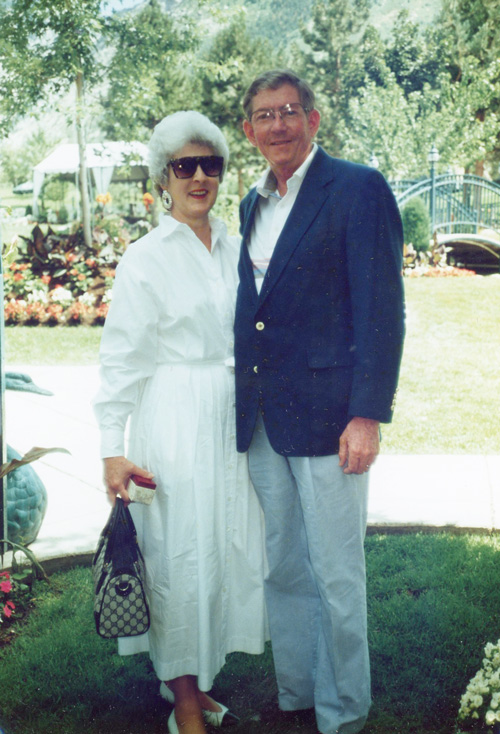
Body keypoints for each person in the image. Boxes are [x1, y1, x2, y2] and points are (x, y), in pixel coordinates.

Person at [234, 69, 405, 734]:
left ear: (314, 119)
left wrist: (368, 414)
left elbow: (381, 309)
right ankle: (298, 695)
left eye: (288, 112)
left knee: (336, 572)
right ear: (248, 131)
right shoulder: (255, 202)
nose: (276, 125)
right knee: (284, 565)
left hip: (335, 418)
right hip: (266, 420)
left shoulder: (357, 188)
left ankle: (343, 713)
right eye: (263, 116)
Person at [93, 110, 267, 734]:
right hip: (172, 417)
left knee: (220, 550)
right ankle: (185, 697)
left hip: (231, 419)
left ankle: (202, 679)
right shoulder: (145, 258)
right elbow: (119, 362)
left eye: (211, 165)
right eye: (185, 166)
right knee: (176, 557)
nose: (199, 177)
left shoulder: (235, 243)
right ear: (164, 177)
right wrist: (112, 450)